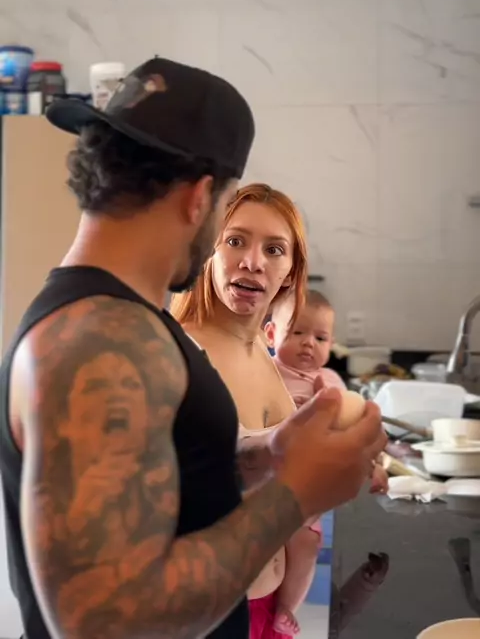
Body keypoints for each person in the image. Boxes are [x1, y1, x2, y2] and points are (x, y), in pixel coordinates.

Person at [0, 58, 386, 639]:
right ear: (201, 197)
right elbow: (100, 623)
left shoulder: (122, 321)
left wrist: (271, 453)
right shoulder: (101, 338)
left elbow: (162, 475)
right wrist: (295, 493)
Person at [170, 184, 385, 638]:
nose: (253, 262)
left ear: (290, 273)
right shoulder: (181, 351)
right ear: (209, 251)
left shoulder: (262, 353)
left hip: (267, 605)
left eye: (274, 249)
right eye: (235, 241)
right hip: (212, 612)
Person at [264, 288, 389, 634]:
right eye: (297, 332)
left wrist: (375, 467)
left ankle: (288, 607)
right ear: (271, 334)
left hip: (307, 493)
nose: (308, 343)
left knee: (306, 544)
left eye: (320, 338)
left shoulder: (332, 386)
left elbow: (355, 435)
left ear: (331, 344)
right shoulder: (264, 373)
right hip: (264, 485)